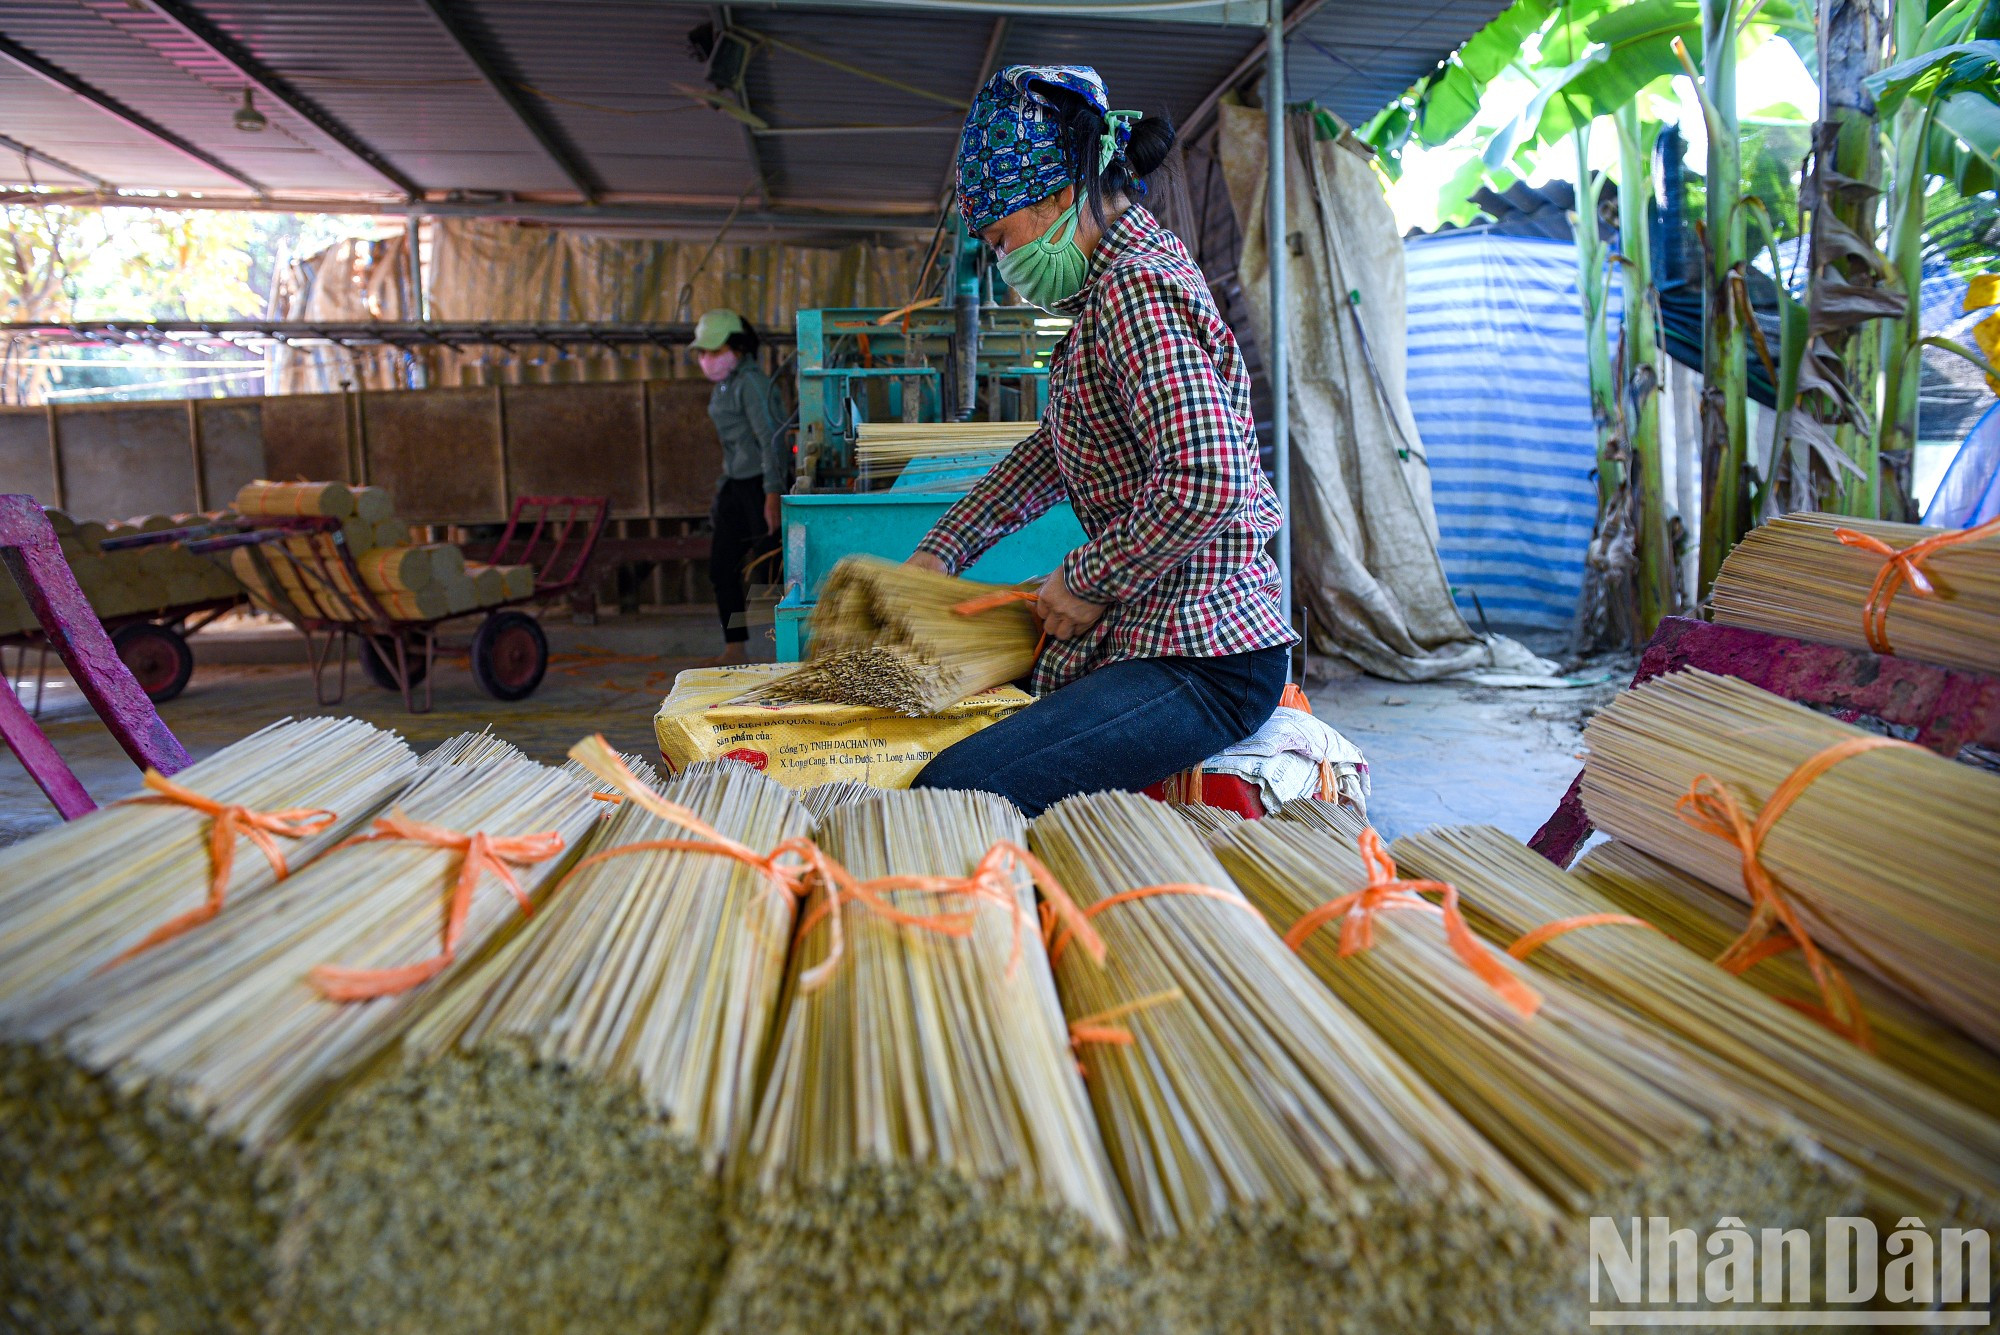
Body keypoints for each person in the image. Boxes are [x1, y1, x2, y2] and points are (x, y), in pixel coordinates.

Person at [908, 65, 1293, 816]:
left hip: (1208, 656)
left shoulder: (1136, 291)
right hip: (1164, 631)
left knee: (951, 791)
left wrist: (1088, 577)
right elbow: (1056, 448)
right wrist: (945, 549)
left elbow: (1206, 478)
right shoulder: (1104, 296)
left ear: (1057, 195)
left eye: (1000, 237)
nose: (1004, 262)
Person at [692, 308, 785, 664]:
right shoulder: (724, 386)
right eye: (703, 353)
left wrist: (772, 492)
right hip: (734, 484)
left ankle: (785, 651)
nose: (707, 360)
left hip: (760, 486)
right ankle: (735, 646)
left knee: (772, 571)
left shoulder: (752, 384)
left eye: (714, 352)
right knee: (721, 567)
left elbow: (770, 438)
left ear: (738, 348)